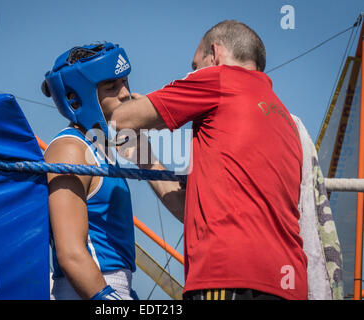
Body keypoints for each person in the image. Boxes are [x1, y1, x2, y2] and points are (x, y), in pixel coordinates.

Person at [108, 20, 308, 300]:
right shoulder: (284, 119)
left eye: (195, 65)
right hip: (289, 285)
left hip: (228, 275)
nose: (192, 74)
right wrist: (147, 157)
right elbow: (186, 211)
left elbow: (121, 119)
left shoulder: (220, 78)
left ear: (214, 54)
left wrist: (130, 105)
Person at [42, 42, 138, 300]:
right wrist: (107, 299)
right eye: (112, 86)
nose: (125, 93)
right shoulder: (70, 149)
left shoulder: (100, 148)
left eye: (125, 81)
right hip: (87, 289)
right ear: (77, 97)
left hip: (107, 287)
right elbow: (71, 253)